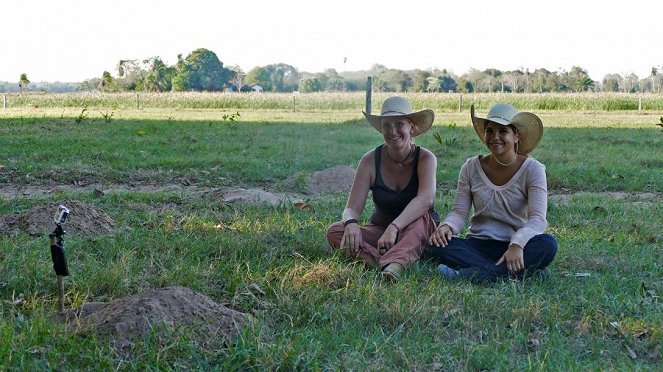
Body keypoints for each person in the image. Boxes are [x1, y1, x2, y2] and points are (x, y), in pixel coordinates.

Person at [428, 103, 557, 283]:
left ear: (516, 136)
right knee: (437, 245)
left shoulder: (533, 169)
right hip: (477, 244)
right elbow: (459, 213)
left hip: (515, 245)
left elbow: (537, 219)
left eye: (503, 131)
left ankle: (468, 275)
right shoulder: (471, 167)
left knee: (548, 244)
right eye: (489, 131)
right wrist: (446, 226)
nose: (495, 137)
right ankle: (521, 272)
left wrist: (517, 243)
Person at [326, 96, 439, 281]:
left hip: (416, 229)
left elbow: (426, 200)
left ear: (411, 127)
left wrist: (395, 227)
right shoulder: (370, 160)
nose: (392, 131)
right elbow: (351, 208)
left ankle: (396, 260)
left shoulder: (426, 158)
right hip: (381, 230)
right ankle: (388, 262)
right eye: (386, 125)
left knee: (420, 223)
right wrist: (351, 223)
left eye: (399, 124)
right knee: (336, 231)